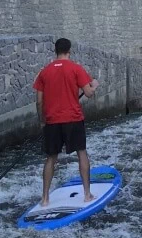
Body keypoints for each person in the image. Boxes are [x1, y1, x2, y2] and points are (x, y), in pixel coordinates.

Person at [33, 38, 99, 206]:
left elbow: (39, 101)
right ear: (69, 50)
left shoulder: (44, 72)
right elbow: (89, 93)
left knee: (50, 159)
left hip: (52, 121)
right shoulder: (76, 68)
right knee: (82, 154)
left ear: (55, 51)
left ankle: (45, 198)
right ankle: (87, 195)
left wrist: (42, 121)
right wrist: (95, 86)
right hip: (73, 119)